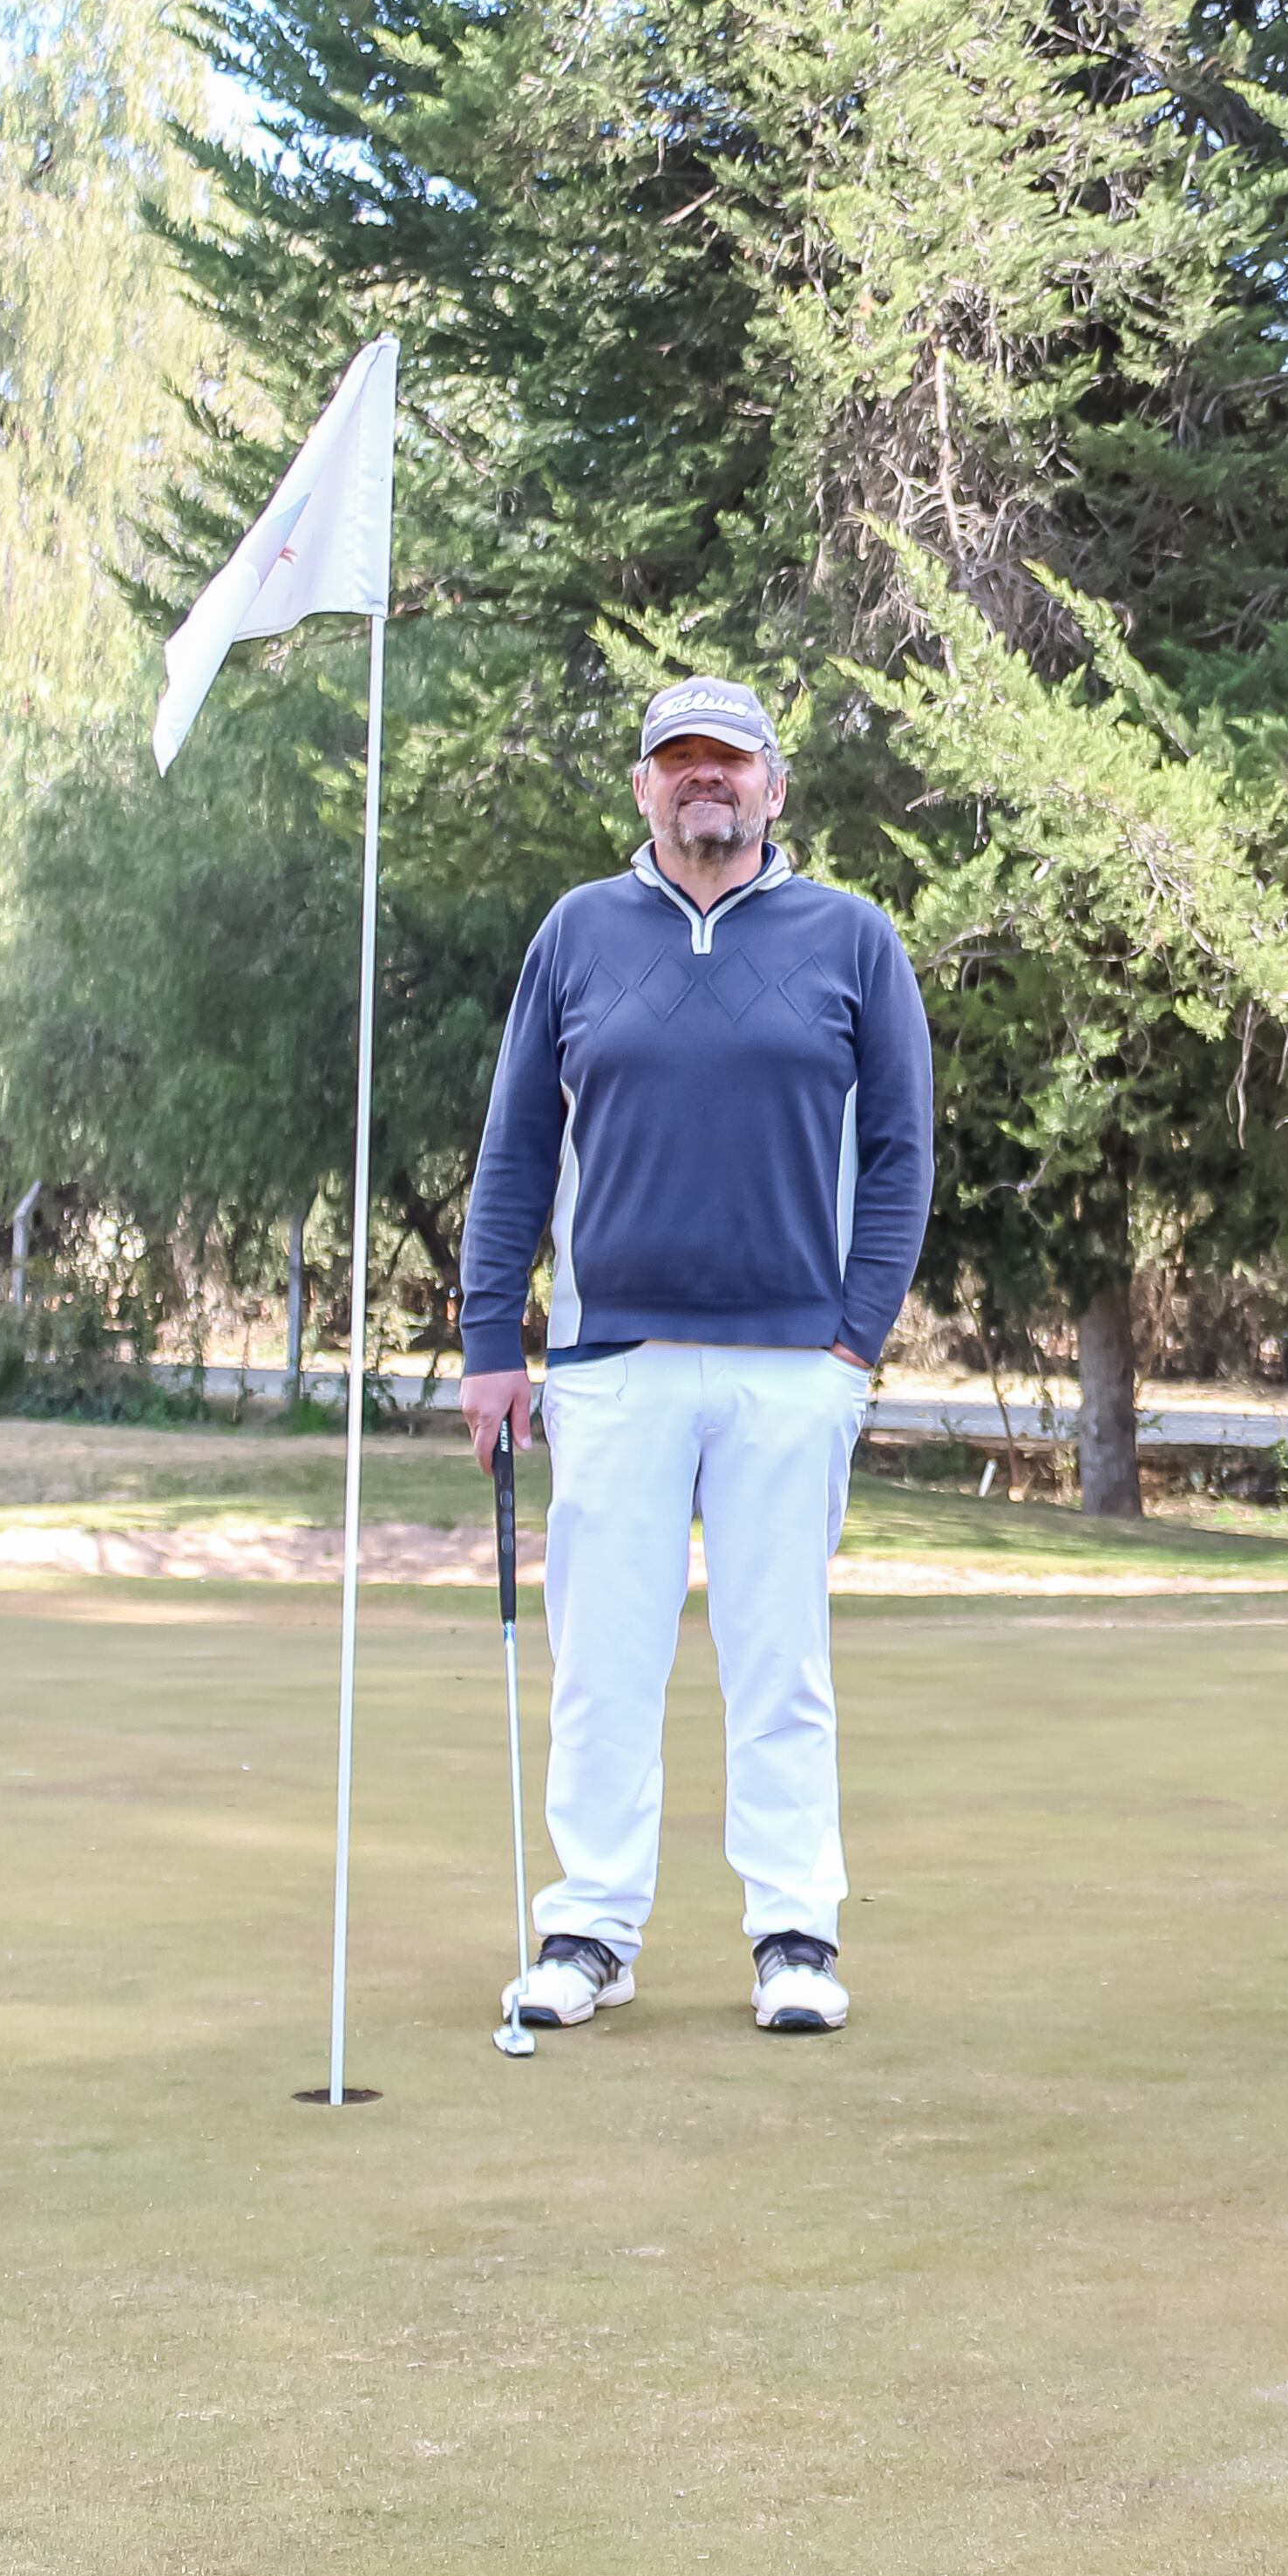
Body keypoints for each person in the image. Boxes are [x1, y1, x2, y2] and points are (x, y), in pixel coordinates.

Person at [456, 677, 933, 2038]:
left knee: (778, 1658)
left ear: (776, 787)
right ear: (644, 786)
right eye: (679, 760)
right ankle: (588, 1928)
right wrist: (496, 1341)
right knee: (604, 1661)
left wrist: (857, 1342)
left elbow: (902, 1154)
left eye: (730, 759)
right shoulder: (577, 934)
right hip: (613, 1358)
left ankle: (796, 1933)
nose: (704, 779)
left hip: (794, 1363)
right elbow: (513, 1154)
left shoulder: (852, 938)